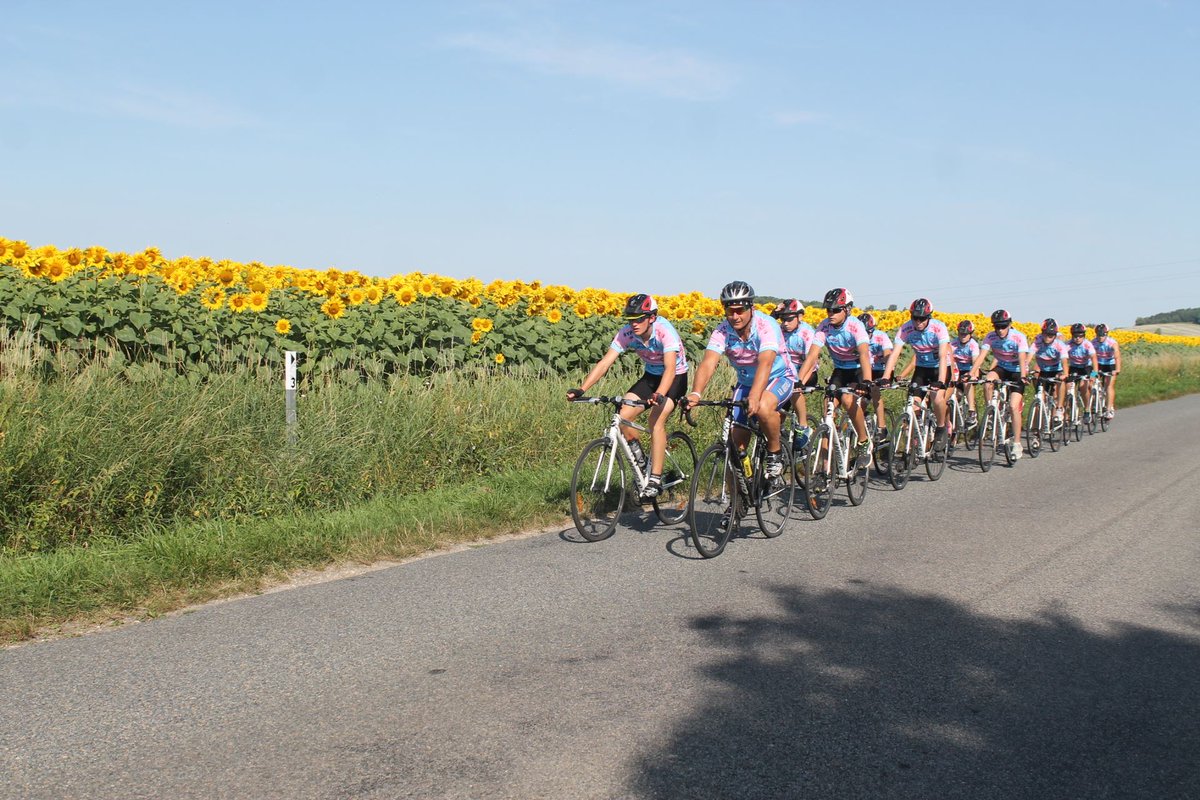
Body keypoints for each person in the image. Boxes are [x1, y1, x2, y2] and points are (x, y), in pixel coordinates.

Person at [686, 281, 794, 526]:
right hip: (745, 383)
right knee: (734, 446)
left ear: (751, 308)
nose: (734, 316)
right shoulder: (722, 331)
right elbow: (708, 363)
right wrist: (696, 393)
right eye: (729, 310)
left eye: (739, 310)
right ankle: (738, 503)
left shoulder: (766, 326)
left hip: (778, 377)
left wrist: (755, 397)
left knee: (765, 406)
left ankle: (775, 454)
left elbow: (766, 363)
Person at [566, 293, 689, 501]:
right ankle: (641, 463)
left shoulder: (664, 332)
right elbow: (605, 363)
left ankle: (655, 479)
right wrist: (582, 389)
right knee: (623, 415)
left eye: (639, 319)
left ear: (652, 317)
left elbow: (669, 369)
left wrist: (659, 394)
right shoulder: (627, 333)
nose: (634, 324)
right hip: (651, 376)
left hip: (675, 377)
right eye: (631, 319)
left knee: (655, 421)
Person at [797, 287, 873, 469]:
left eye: (836, 310)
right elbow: (813, 355)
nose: (831, 313)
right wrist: (798, 381)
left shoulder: (856, 326)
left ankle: (863, 442)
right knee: (827, 412)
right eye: (828, 310)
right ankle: (825, 469)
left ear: (847, 309)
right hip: (840, 370)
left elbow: (863, 353)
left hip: (857, 370)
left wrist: (867, 381)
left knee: (848, 399)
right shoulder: (824, 326)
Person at [880, 298, 952, 453]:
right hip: (921, 369)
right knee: (912, 406)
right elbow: (894, 354)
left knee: (937, 397)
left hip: (939, 368)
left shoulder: (938, 328)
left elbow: (942, 355)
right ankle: (913, 447)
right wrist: (886, 376)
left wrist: (940, 381)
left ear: (929, 317)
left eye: (923, 318)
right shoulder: (906, 328)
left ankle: (940, 429)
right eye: (915, 318)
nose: (918, 322)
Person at [970, 309, 1031, 459]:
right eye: (997, 327)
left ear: (1010, 324)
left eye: (1003, 326)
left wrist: (1023, 376)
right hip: (1003, 367)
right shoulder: (990, 337)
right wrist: (971, 373)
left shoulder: (1019, 337)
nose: (1000, 330)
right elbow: (981, 357)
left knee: (1013, 406)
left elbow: (1023, 359)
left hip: (1017, 370)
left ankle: (1017, 443)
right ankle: (991, 411)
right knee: (988, 381)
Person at [772, 299, 818, 453]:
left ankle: (803, 426)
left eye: (789, 319)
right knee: (777, 407)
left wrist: (800, 381)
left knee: (793, 388)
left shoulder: (807, 333)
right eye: (782, 319)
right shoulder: (779, 330)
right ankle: (779, 433)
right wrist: (774, 313)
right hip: (786, 371)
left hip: (807, 370)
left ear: (800, 317)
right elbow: (764, 327)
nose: (785, 323)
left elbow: (811, 361)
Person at [859, 312, 894, 445]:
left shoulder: (881, 337)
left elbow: (887, 354)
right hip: (865, 370)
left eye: (867, 333)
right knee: (859, 398)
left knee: (874, 391)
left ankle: (882, 428)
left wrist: (886, 363)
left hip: (881, 370)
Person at [1029, 318, 1070, 423]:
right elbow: (1029, 356)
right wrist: (1024, 369)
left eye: (1051, 335)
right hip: (1044, 369)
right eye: (1046, 334)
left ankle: (1060, 408)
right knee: (1039, 395)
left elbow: (1065, 361)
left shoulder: (1060, 344)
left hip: (1058, 369)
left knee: (1066, 382)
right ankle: (1037, 428)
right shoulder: (1038, 341)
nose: (1047, 337)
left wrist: (1094, 373)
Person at [1066, 323, 1100, 422]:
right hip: (1074, 367)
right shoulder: (1068, 345)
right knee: (1068, 387)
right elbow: (1062, 357)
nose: (1077, 338)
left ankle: (1087, 409)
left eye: (1080, 336)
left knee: (1083, 386)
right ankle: (1071, 408)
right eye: (1075, 336)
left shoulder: (1087, 344)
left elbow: (1094, 359)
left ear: (1084, 336)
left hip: (1086, 367)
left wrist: (1094, 375)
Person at [950, 319, 981, 427]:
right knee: (954, 392)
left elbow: (976, 361)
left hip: (970, 369)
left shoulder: (973, 345)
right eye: (960, 333)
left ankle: (972, 412)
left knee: (968, 383)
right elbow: (948, 359)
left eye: (965, 334)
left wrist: (973, 376)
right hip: (957, 370)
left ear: (970, 334)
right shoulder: (954, 343)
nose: (962, 336)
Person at [1092, 323, 1121, 419]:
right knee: (1091, 382)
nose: (1100, 337)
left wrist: (1117, 369)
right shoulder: (1093, 342)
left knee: (1109, 385)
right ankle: (1095, 402)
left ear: (1106, 334)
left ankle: (1109, 409)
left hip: (1110, 365)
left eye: (1102, 335)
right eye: (1098, 335)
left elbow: (1117, 356)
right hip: (1098, 365)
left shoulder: (1112, 343)